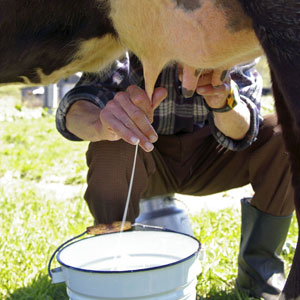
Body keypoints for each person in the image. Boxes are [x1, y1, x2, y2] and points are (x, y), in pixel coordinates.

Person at [56, 53, 294, 300]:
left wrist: (225, 101)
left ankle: (260, 273)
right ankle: (114, 267)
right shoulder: (126, 40)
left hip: (213, 157)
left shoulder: (230, 42)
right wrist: (100, 124)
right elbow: (77, 105)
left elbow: (245, 129)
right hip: (145, 155)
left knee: (286, 133)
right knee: (111, 142)